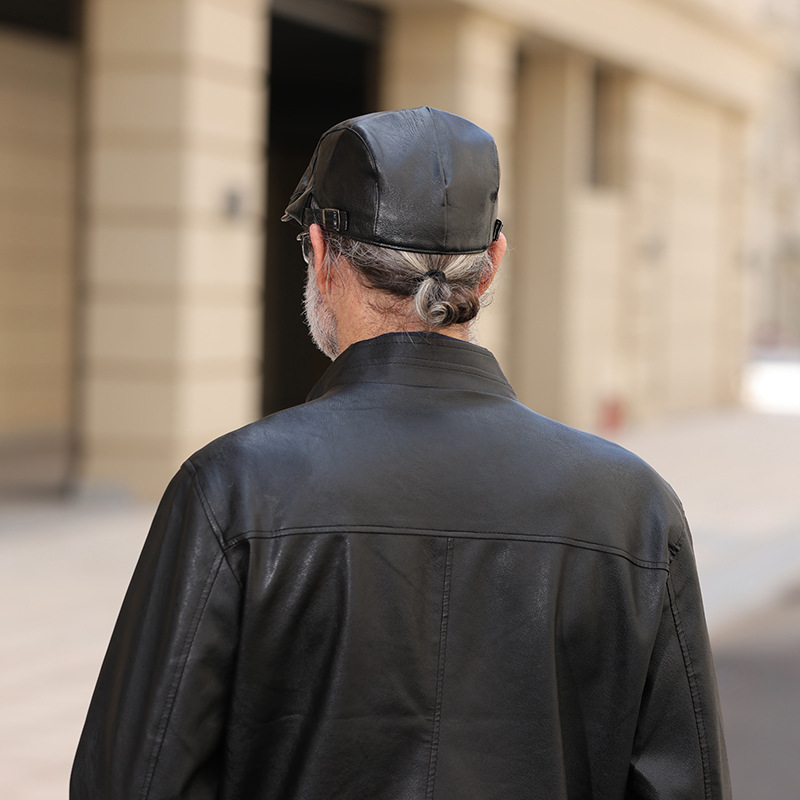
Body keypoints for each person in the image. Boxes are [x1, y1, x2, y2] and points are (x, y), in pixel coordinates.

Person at [71, 106, 730, 799]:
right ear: (492, 266)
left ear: (322, 256)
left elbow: (132, 778)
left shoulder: (231, 490)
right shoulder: (632, 507)